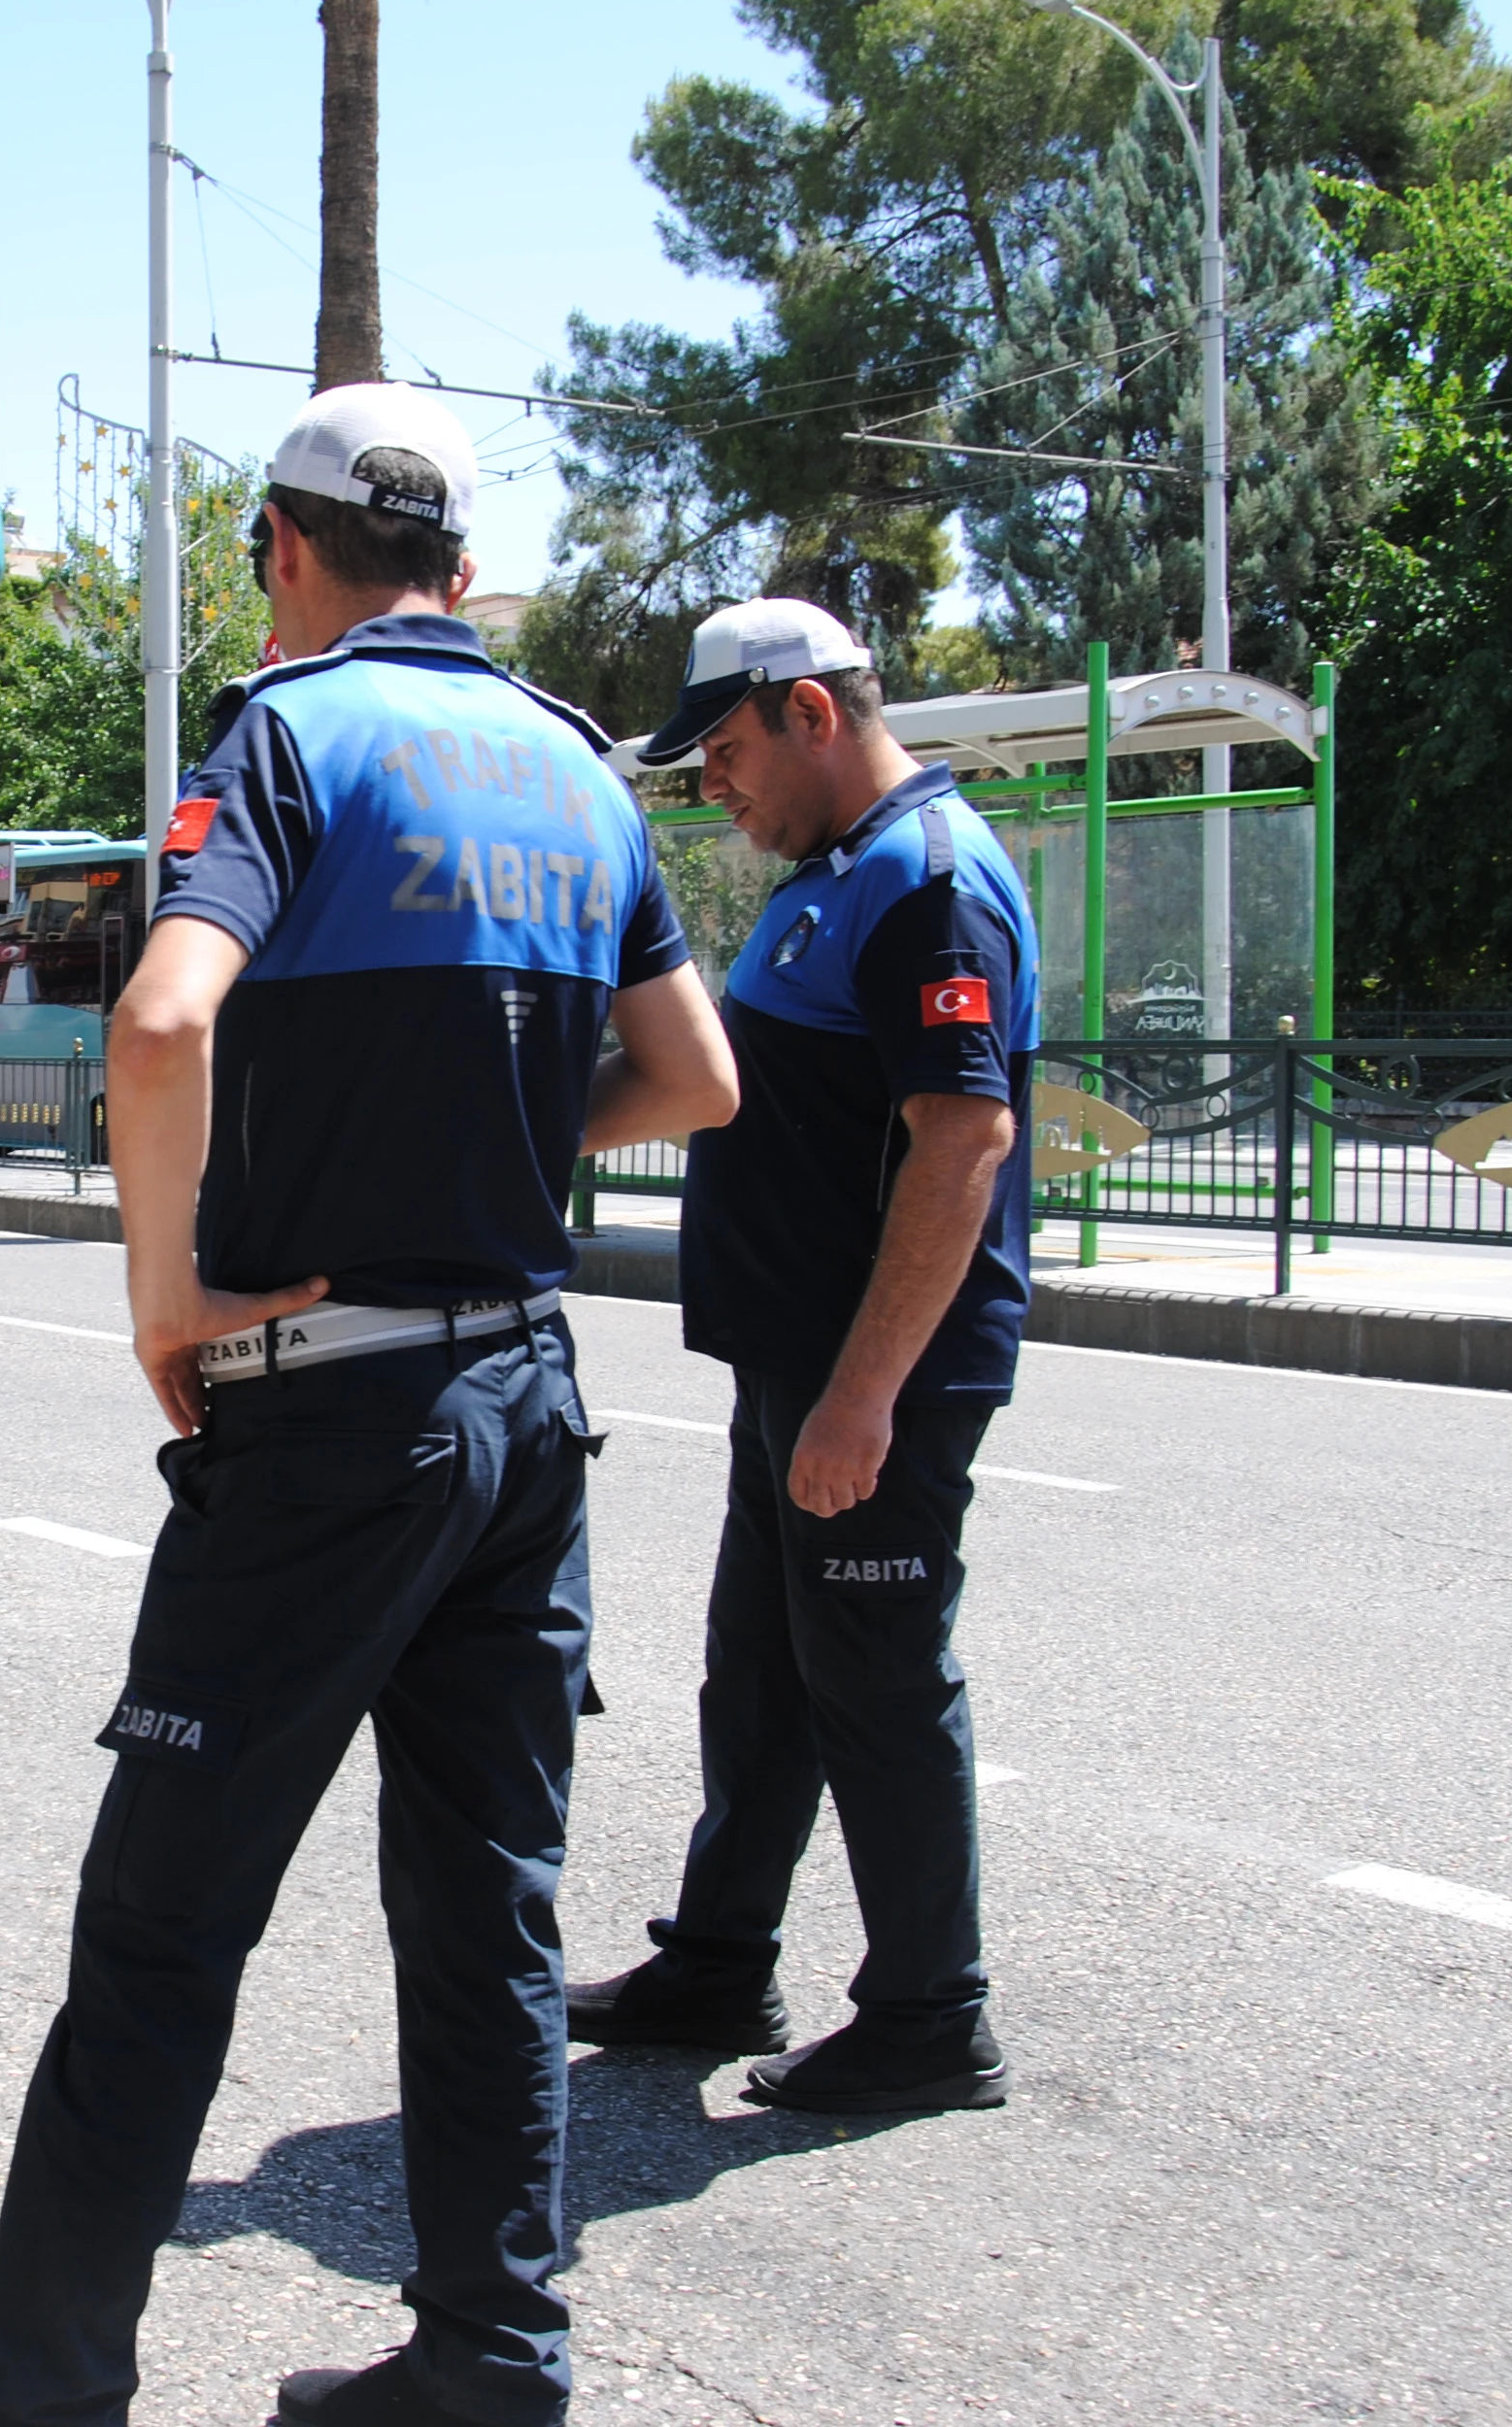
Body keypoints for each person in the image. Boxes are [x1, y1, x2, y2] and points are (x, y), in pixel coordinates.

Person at [0, 385, 739, 2427]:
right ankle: (492, 2362)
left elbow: (157, 1018)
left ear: (286, 553)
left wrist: (166, 1296)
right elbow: (696, 1080)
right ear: (459, 574)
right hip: (522, 1415)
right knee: (485, 1921)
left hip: (322, 1428)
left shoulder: (288, 736)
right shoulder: (575, 769)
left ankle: (34, 2404)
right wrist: (495, 1131)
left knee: (160, 1940)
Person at [561, 596, 1036, 2122]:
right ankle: (716, 1960)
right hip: (797, 1369)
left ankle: (929, 2018)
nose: (716, 790)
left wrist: (861, 1396)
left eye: (727, 755)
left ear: (812, 714)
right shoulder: (838, 872)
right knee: (761, 1680)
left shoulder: (929, 886)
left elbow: (962, 1144)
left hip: (867, 1388)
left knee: (879, 1687)